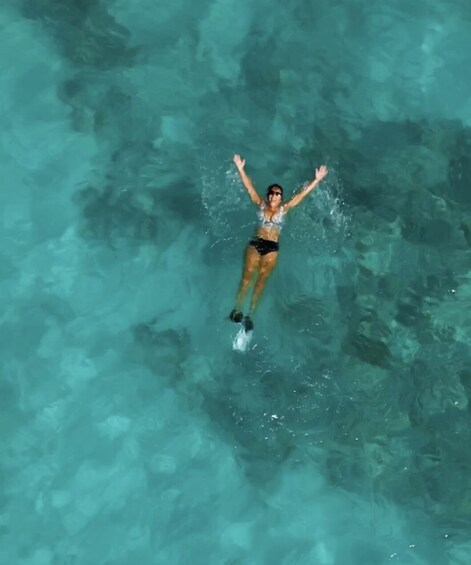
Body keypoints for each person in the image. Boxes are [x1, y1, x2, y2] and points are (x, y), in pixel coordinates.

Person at [229, 154, 328, 332]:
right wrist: (240, 168)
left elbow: (302, 194)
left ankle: (250, 314)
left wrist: (317, 179)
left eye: (278, 193)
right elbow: (249, 187)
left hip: (272, 249)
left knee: (261, 281)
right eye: (272, 192)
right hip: (256, 244)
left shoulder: (284, 209)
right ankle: (237, 309)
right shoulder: (260, 205)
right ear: (268, 195)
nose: (275, 195)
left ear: (281, 197)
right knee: (247, 276)